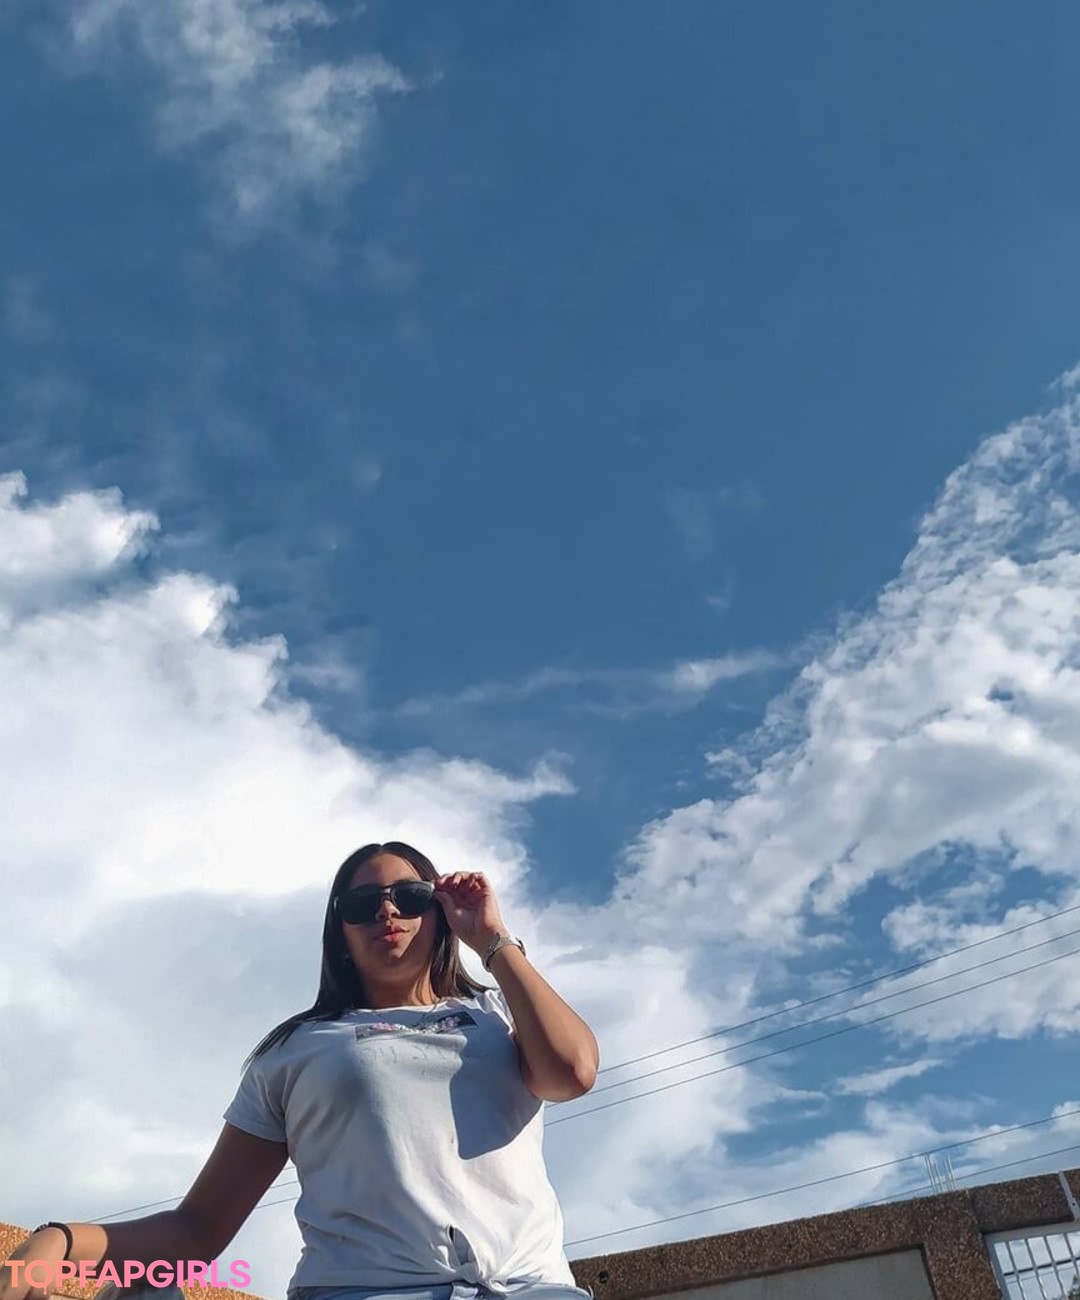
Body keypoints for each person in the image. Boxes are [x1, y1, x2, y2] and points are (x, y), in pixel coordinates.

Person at [2, 842, 599, 1300]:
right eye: (361, 904)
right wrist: (59, 1241)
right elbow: (198, 1229)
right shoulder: (295, 1050)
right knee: (142, 1292)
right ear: (340, 932)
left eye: (411, 895)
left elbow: (571, 1073)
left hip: (530, 1288)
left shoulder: (498, 1014)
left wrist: (493, 939)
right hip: (367, 1292)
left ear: (439, 913)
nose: (387, 910)